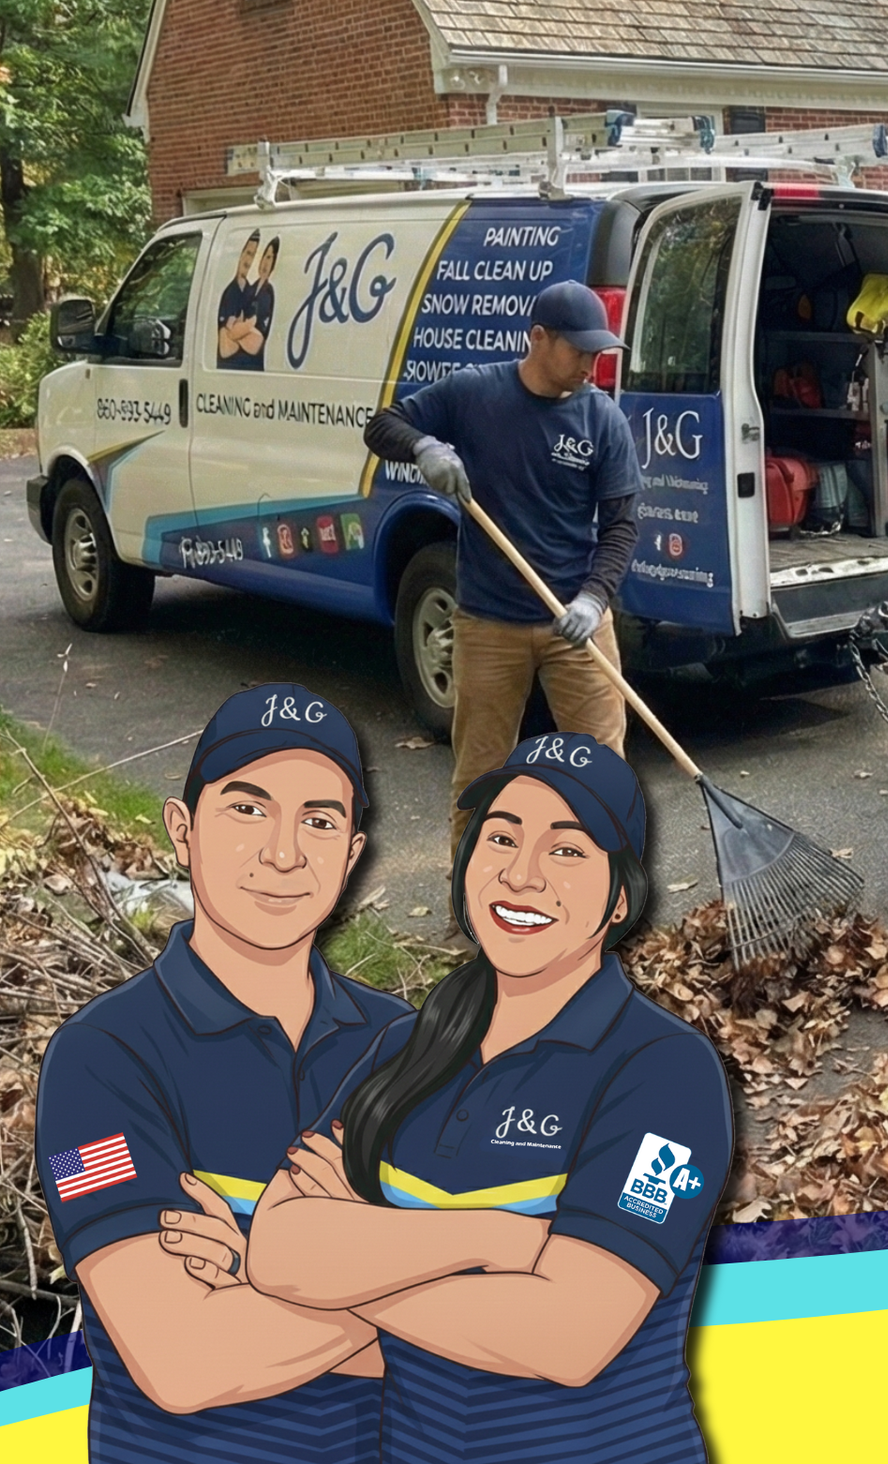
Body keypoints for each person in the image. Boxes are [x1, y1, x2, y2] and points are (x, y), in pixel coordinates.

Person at [244, 734, 732, 1464]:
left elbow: (568, 1335)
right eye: (501, 837)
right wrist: (493, 1239)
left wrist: (349, 1267)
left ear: (620, 895)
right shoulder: (406, 1050)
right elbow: (277, 1247)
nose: (522, 874)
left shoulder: (665, 1073)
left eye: (567, 851)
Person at [35, 686, 410, 1462]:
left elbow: (515, 1351)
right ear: (183, 830)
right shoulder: (99, 1061)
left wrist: (259, 1280)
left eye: (318, 820)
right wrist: (408, 1283)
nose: (283, 852)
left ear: (350, 853)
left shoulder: (405, 1048)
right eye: (247, 809)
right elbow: (182, 1359)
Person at [362, 281, 642, 853]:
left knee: (601, 774)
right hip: (489, 624)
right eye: (580, 351)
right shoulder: (475, 394)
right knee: (481, 778)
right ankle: (471, 912)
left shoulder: (603, 421)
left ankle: (603, 909)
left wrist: (593, 599)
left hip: (576, 625)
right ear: (538, 338)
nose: (591, 364)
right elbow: (381, 425)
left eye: (598, 353)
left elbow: (621, 526)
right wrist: (424, 448)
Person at [228, 236, 279, 371]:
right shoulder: (249, 289)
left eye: (270, 257)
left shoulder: (268, 293)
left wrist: (235, 333)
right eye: (265, 256)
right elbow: (232, 323)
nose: (265, 263)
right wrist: (241, 329)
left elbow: (258, 338)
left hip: (254, 365)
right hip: (236, 365)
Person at [215, 229, 259, 363]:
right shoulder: (228, 292)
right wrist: (247, 327)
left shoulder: (252, 292)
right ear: (240, 254)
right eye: (248, 253)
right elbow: (226, 337)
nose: (249, 260)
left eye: (254, 256)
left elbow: (256, 342)